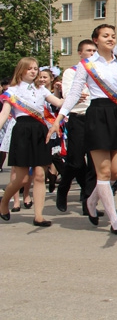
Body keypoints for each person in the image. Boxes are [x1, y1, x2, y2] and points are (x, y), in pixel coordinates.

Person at [48, 24, 117, 234]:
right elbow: (75, 93)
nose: (110, 39)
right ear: (96, 40)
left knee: (116, 172)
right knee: (102, 172)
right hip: (97, 115)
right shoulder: (87, 65)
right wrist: (60, 117)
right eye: (105, 36)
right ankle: (115, 221)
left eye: (113, 36)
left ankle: (91, 201)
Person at [0, 58, 64, 225]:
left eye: (35, 68)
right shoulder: (12, 91)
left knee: (40, 174)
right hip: (22, 130)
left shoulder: (41, 89)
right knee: (20, 178)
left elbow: (58, 103)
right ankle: (4, 202)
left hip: (40, 131)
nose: (34, 71)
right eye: (30, 69)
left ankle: (38, 215)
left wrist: (73, 96)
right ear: (21, 70)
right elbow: (4, 114)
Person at [56, 40, 100, 216]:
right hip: (78, 118)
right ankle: (63, 187)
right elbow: (69, 94)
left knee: (93, 162)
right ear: (80, 53)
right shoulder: (71, 72)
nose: (91, 53)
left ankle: (87, 202)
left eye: (94, 50)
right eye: (88, 50)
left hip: (95, 118)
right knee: (75, 159)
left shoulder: (98, 71)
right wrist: (78, 95)